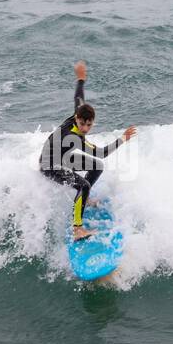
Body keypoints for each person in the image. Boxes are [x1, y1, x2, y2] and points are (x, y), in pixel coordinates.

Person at [39, 61, 137, 240]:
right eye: (82, 123)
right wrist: (123, 138)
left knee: (96, 167)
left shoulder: (78, 112)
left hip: (62, 158)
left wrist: (81, 79)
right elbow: (102, 152)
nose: (85, 128)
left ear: (92, 121)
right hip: (49, 165)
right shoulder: (73, 136)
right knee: (83, 185)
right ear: (76, 118)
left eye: (89, 124)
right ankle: (78, 229)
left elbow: (78, 97)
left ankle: (84, 199)